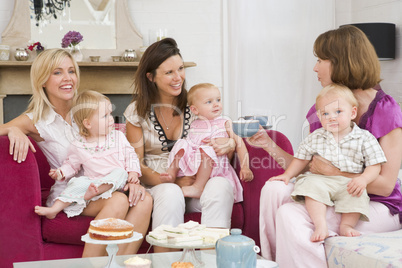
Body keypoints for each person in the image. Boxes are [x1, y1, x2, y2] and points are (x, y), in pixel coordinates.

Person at [248, 25, 402, 268]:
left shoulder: (385, 109)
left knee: (289, 215)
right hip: (332, 193)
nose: (315, 67)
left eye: (320, 60)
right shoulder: (323, 110)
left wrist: (337, 173)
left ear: (342, 62)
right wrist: (268, 145)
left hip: (375, 205)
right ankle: (272, 262)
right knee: (273, 190)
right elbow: (311, 167)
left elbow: (384, 186)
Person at [0, 49, 152, 257]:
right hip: (74, 194)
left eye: (71, 71)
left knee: (145, 200)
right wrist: (13, 129)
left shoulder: (86, 108)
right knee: (119, 200)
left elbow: (118, 148)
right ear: (42, 80)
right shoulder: (36, 120)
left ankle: (122, 264)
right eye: (57, 72)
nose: (68, 78)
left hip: (106, 184)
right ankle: (89, 264)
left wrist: (133, 180)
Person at [124, 38, 237, 252]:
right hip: (159, 184)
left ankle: (212, 261)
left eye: (181, 69)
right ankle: (167, 263)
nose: (178, 78)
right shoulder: (136, 111)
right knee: (170, 192)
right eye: (169, 72)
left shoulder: (198, 105)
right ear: (151, 77)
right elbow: (135, 164)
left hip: (198, 184)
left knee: (221, 186)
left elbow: (221, 151)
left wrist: (229, 144)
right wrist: (173, 180)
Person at [269, 84, 386, 242]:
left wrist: (363, 179)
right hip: (322, 179)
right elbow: (301, 158)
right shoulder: (316, 136)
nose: (331, 117)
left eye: (338, 112)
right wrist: (287, 175)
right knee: (310, 184)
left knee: (358, 193)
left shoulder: (364, 138)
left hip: (348, 181)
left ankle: (347, 225)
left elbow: (375, 165)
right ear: (319, 116)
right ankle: (320, 224)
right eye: (325, 113)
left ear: (352, 113)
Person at [34, 90, 142, 219]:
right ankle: (54, 209)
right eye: (105, 116)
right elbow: (71, 165)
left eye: (110, 114)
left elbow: (131, 155)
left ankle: (94, 192)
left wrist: (133, 172)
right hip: (92, 183)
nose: (111, 119)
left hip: (118, 183)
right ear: (88, 123)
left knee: (120, 171)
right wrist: (61, 172)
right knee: (76, 183)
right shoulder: (78, 145)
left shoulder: (118, 137)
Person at [160, 83, 253, 199]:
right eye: (209, 102)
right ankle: (171, 173)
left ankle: (198, 187)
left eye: (218, 100)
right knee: (181, 143)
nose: (216, 104)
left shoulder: (225, 122)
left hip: (216, 164)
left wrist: (245, 166)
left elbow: (240, 144)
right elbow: (190, 147)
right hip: (197, 165)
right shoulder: (194, 124)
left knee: (207, 149)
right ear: (195, 109)